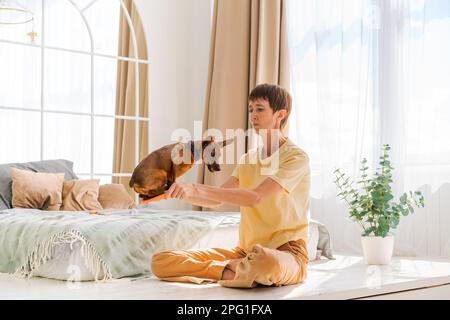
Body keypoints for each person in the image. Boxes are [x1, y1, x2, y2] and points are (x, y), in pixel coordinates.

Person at [151, 83, 310, 288]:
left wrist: (196, 188)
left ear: (280, 114)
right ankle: (240, 270)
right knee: (161, 261)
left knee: (269, 264)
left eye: (260, 109)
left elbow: (255, 197)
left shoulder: (296, 157)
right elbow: (217, 199)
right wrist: (179, 191)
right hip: (245, 253)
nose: (253, 115)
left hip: (287, 252)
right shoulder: (248, 158)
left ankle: (237, 270)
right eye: (251, 109)